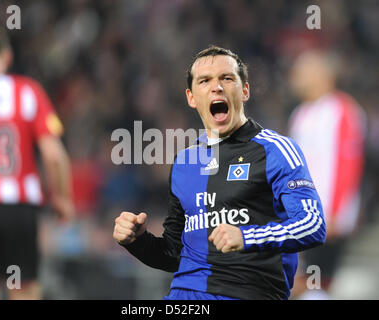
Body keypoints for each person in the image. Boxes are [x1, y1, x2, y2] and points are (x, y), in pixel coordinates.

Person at [113, 45, 326, 300]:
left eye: (227, 78)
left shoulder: (277, 150)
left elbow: (313, 225)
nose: (217, 87)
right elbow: (174, 254)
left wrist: (247, 236)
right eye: (205, 80)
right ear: (192, 97)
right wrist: (137, 241)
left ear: (244, 90)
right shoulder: (185, 162)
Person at [0, 24, 75, 300]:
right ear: (7, 57)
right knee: (23, 289)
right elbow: (54, 155)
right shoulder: (28, 92)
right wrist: (62, 198)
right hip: (18, 210)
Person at [288, 50, 365, 299]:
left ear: (324, 75)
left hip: (326, 217)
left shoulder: (342, 111)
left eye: (303, 71)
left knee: (313, 284)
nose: (295, 77)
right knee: (301, 284)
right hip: (300, 214)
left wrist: (335, 213)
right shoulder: (300, 114)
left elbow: (348, 164)